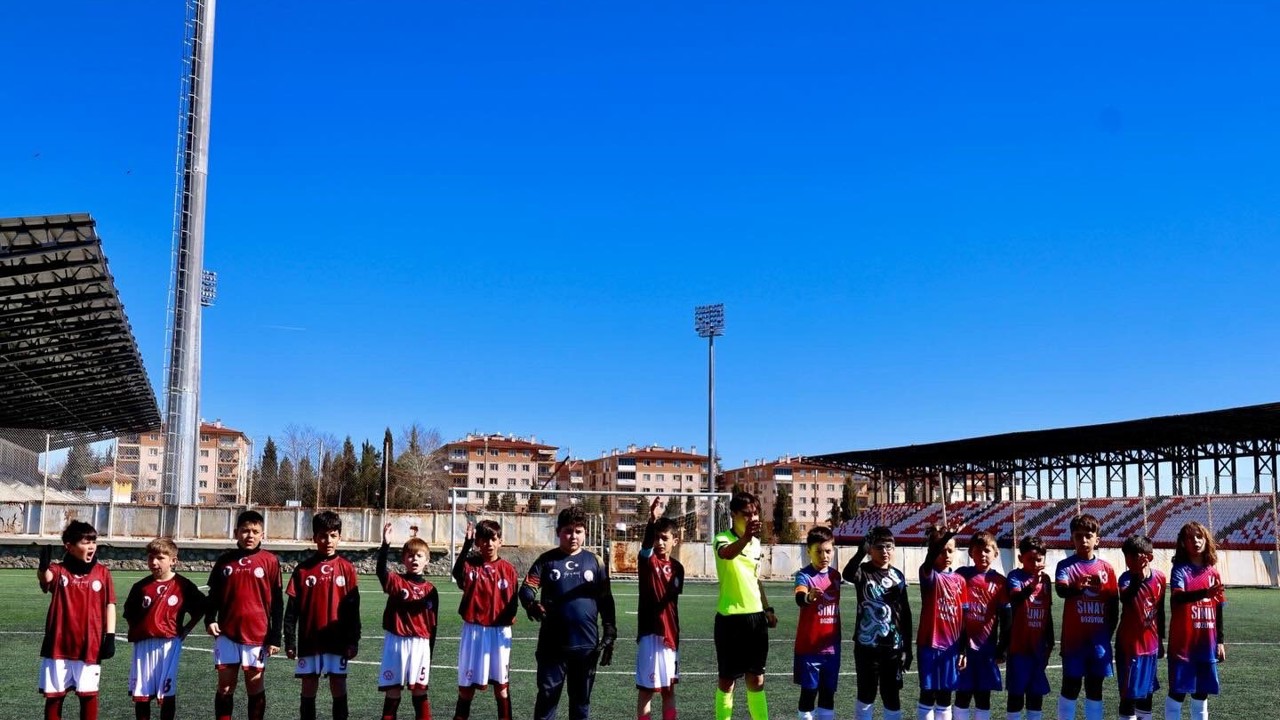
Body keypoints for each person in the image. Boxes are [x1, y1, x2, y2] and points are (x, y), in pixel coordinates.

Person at [519, 506, 618, 720]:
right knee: (547, 700)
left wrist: (610, 629)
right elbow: (527, 588)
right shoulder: (546, 561)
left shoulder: (596, 562)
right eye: (568, 531)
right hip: (552, 646)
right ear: (558, 532)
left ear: (585, 533)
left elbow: (605, 599)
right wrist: (531, 603)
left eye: (578, 531)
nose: (573, 536)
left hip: (586, 646)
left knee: (581, 703)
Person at [205, 509, 283, 720]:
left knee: (255, 685)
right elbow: (213, 595)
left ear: (262, 534)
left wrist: (276, 636)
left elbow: (277, 602)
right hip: (227, 633)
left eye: (255, 531)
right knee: (225, 686)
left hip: (257, 635)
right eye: (245, 531)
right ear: (236, 532)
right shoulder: (224, 561)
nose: (250, 536)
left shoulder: (270, 561)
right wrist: (210, 619)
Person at [284, 511, 361, 720]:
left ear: (339, 537)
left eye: (333, 535)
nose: (328, 541)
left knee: (338, 685)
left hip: (338, 641)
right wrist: (290, 642)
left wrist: (354, 640)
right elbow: (291, 611)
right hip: (310, 640)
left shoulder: (347, 568)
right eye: (323, 535)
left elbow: (354, 610)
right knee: (309, 686)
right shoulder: (302, 570)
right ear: (314, 537)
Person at [36, 520, 117, 720]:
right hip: (58, 646)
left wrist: (111, 637)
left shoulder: (102, 573)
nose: (91, 546)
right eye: (85, 542)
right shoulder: (59, 570)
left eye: (93, 541)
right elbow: (46, 578)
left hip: (89, 646)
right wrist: (43, 566)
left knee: (88, 696)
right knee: (54, 697)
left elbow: (110, 605)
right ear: (69, 547)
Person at [124, 537, 206, 720]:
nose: (154, 562)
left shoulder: (183, 586)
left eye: (160, 558)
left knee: (167, 691)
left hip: (169, 643)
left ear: (173, 561)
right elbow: (129, 613)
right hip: (143, 645)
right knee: (142, 693)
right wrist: (141, 630)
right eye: (151, 557)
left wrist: (186, 629)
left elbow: (201, 608)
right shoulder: (140, 587)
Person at [712, 491, 778, 720]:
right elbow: (727, 554)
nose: (752, 518)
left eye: (755, 513)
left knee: (757, 679)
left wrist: (767, 608)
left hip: (755, 619)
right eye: (746, 514)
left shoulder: (757, 544)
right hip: (729, 618)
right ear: (733, 514)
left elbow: (755, 579)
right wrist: (745, 539)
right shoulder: (722, 538)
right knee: (727, 681)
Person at [841, 525, 913, 720]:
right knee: (866, 694)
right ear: (870, 549)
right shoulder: (863, 571)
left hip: (893, 647)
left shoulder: (898, 576)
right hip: (867, 645)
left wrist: (908, 646)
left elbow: (905, 612)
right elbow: (847, 574)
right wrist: (859, 552)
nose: (885, 551)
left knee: (891, 695)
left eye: (889, 547)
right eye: (879, 547)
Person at [451, 519, 520, 720]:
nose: (489, 543)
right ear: (478, 542)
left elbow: (513, 602)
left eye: (493, 539)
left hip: (499, 632)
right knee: (466, 689)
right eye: (483, 539)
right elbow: (457, 573)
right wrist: (466, 543)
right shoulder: (470, 565)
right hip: (473, 631)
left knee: (502, 688)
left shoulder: (508, 570)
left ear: (500, 541)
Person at [1054, 513, 1119, 720]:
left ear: (1097, 540)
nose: (1084, 540)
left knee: (1094, 687)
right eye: (1078, 535)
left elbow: (1113, 605)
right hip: (1074, 641)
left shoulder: (1106, 569)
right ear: (1071, 539)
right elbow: (1062, 591)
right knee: (1071, 685)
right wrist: (1078, 587)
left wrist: (1107, 634)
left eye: (1088, 535)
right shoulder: (1065, 566)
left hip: (1099, 642)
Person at [377, 522, 439, 720]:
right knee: (393, 691)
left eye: (419, 555)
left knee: (419, 691)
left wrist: (430, 652)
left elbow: (433, 624)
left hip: (420, 645)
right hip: (396, 641)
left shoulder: (431, 590)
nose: (414, 559)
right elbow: (381, 572)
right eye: (410, 555)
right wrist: (385, 545)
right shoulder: (397, 582)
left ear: (427, 560)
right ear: (404, 559)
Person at [1165, 521, 1226, 720]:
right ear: (1183, 543)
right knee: (1178, 692)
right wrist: (1203, 593)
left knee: (1201, 693)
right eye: (1190, 538)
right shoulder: (1180, 570)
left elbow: (1218, 608)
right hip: (1183, 644)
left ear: (1206, 540)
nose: (1196, 541)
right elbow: (1178, 597)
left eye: (1199, 536)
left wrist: (1221, 641)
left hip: (1206, 642)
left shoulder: (1213, 572)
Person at [635, 498, 685, 720]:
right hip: (650, 634)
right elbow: (646, 548)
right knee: (646, 691)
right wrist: (651, 522)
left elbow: (672, 603)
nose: (660, 542)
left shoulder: (678, 569)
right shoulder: (647, 562)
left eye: (665, 538)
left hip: (671, 635)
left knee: (668, 689)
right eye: (657, 538)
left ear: (676, 540)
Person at [954, 531, 1010, 720]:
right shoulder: (961, 576)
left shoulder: (1001, 582)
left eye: (987, 550)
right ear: (971, 553)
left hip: (987, 650)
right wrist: (959, 648)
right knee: (962, 694)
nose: (982, 555)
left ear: (996, 554)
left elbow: (1006, 618)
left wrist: (1002, 649)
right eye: (978, 550)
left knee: (983, 697)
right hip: (964, 649)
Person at [916, 522, 968, 720]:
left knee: (946, 696)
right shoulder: (929, 574)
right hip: (929, 644)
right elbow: (929, 561)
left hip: (951, 648)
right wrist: (946, 536)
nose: (946, 555)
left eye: (950, 550)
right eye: (942, 550)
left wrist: (962, 650)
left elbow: (964, 620)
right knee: (928, 694)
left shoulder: (960, 581)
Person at [792, 526, 842, 720]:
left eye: (828, 551)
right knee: (808, 694)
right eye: (818, 551)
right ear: (809, 552)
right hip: (809, 648)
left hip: (831, 650)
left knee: (828, 695)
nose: (824, 556)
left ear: (833, 551)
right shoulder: (804, 575)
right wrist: (809, 597)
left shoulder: (835, 577)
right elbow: (799, 597)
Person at [1116, 534, 1166, 720]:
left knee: (1147, 694)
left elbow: (1159, 611)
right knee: (1129, 697)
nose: (1128, 561)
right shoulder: (1126, 579)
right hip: (1130, 648)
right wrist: (1138, 576)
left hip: (1150, 647)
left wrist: (1161, 641)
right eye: (1126, 556)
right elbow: (1126, 597)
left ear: (1148, 557)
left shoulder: (1160, 578)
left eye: (1132, 556)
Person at [1004, 535, 1054, 720]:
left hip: (1038, 647)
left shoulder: (1047, 580)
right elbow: (1016, 598)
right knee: (1016, 695)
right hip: (1019, 646)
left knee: (1036, 695)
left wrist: (1050, 642)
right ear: (1020, 558)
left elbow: (1047, 611)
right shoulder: (1015, 576)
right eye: (1030, 559)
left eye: (1039, 559)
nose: (1035, 563)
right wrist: (1033, 582)